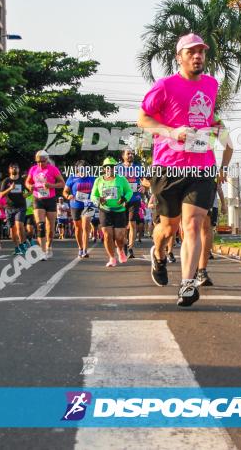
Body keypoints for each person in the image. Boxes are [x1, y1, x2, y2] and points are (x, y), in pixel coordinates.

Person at [137, 33, 222, 307]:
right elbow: (142, 119)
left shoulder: (211, 84)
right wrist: (172, 132)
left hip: (202, 165)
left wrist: (213, 127)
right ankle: (159, 254)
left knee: (194, 224)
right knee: (168, 227)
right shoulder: (165, 86)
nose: (197, 56)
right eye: (191, 52)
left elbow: (205, 116)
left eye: (201, 52)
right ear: (179, 57)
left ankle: (187, 284)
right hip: (168, 167)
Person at [90, 157, 133, 267]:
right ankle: (112, 258)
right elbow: (93, 195)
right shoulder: (98, 180)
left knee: (119, 237)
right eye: (107, 167)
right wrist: (99, 200)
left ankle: (120, 250)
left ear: (115, 168)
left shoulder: (121, 179)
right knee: (108, 235)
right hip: (105, 210)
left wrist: (124, 199)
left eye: (112, 167)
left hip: (119, 211)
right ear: (104, 169)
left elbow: (129, 192)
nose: (110, 169)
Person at [25, 150, 65, 258]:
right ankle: (42, 251)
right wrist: (29, 186)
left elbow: (62, 183)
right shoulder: (33, 169)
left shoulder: (53, 169)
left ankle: (49, 246)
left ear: (46, 160)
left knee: (50, 229)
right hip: (38, 199)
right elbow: (27, 182)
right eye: (37, 161)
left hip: (50, 200)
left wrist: (51, 185)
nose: (39, 164)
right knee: (40, 226)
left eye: (42, 161)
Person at [118, 148, 149, 259]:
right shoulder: (118, 168)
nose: (130, 155)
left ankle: (130, 248)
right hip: (121, 200)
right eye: (128, 153)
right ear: (123, 156)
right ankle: (124, 245)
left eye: (132, 153)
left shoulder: (138, 167)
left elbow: (146, 180)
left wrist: (144, 186)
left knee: (132, 224)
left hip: (134, 199)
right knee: (122, 226)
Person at [63, 161, 95, 258]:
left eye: (85, 168)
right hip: (75, 205)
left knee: (86, 227)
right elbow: (65, 191)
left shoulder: (92, 178)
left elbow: (97, 189)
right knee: (78, 227)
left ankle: (85, 250)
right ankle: (80, 248)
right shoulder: (72, 178)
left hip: (88, 204)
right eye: (81, 168)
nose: (84, 170)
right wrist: (68, 196)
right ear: (77, 169)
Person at [0, 163, 29, 256]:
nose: (14, 169)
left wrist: (26, 195)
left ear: (18, 169)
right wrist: (10, 188)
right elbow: (1, 195)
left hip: (20, 207)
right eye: (12, 167)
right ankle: (17, 248)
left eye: (16, 167)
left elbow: (29, 190)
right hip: (9, 208)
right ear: (9, 170)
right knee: (12, 232)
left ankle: (23, 245)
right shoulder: (6, 181)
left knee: (19, 225)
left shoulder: (22, 180)